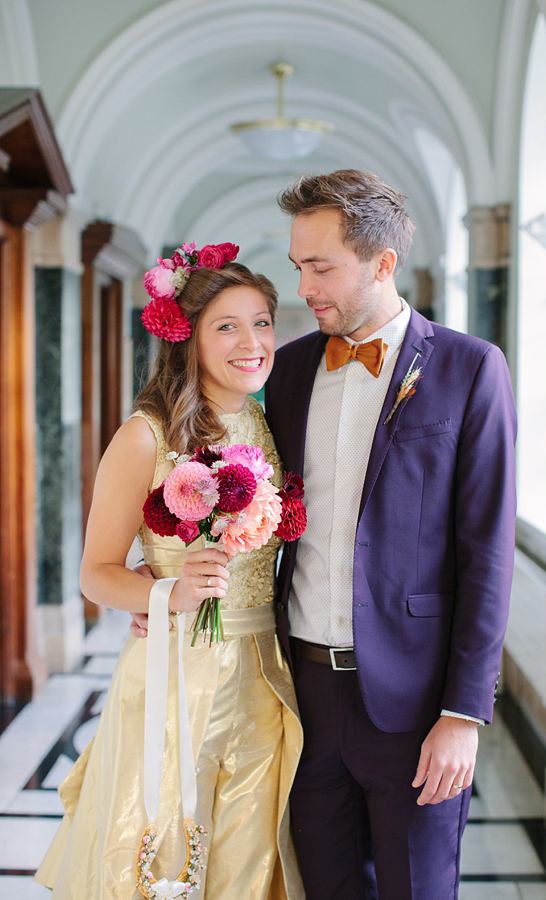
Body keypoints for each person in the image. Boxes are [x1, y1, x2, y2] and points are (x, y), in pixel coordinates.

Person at [263, 170, 517, 900]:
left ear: (382, 264)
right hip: (303, 693)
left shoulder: (472, 370)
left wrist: (464, 714)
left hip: (415, 702)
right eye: (298, 267)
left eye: (322, 267)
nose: (306, 287)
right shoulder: (288, 372)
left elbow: (487, 553)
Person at [35, 249, 304, 900]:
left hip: (263, 672)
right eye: (228, 326)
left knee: (246, 857)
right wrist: (171, 592)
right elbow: (96, 575)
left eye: (262, 322)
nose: (253, 341)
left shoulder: (264, 421)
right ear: (187, 338)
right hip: (176, 674)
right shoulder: (145, 435)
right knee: (167, 854)